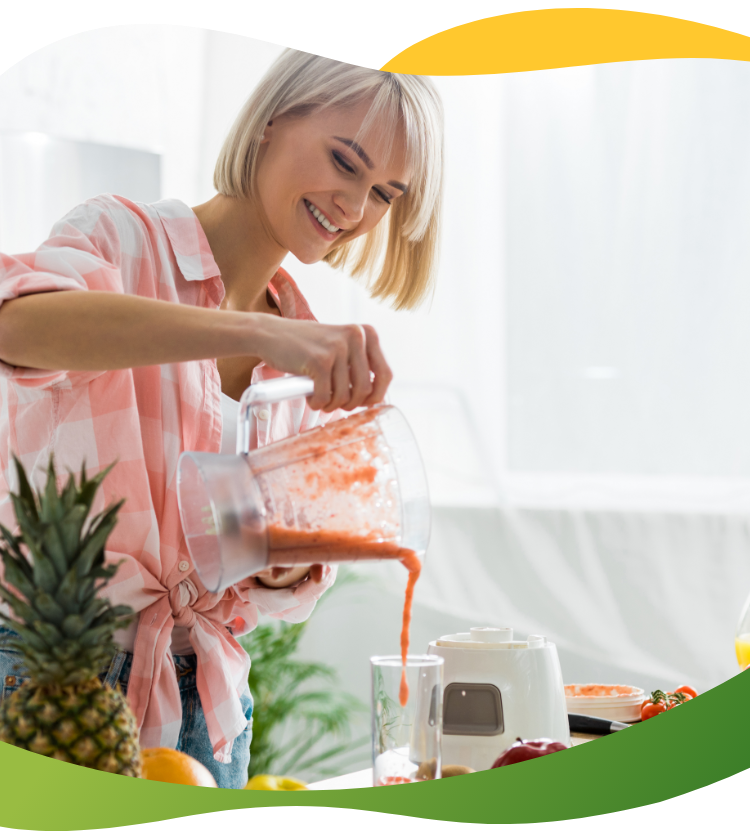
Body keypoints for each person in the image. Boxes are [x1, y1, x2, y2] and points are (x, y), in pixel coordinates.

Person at [0, 49, 443, 788]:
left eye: (383, 195)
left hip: (210, 703)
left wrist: (289, 553)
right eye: (344, 160)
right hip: (54, 680)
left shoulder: (304, 341)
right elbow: (18, 329)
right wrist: (259, 335)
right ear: (271, 123)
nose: (354, 208)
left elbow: (280, 581)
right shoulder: (123, 237)